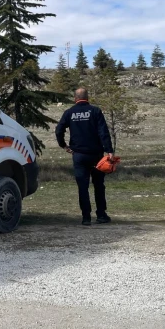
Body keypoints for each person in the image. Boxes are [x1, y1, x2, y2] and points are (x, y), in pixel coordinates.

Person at [55, 88, 115, 226]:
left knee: (83, 187)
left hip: (79, 155)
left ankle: (86, 217)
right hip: (96, 155)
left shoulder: (69, 112)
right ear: (87, 98)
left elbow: (59, 130)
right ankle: (101, 215)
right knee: (99, 185)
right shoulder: (95, 111)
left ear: (75, 98)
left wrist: (63, 145)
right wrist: (109, 150)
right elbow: (103, 132)